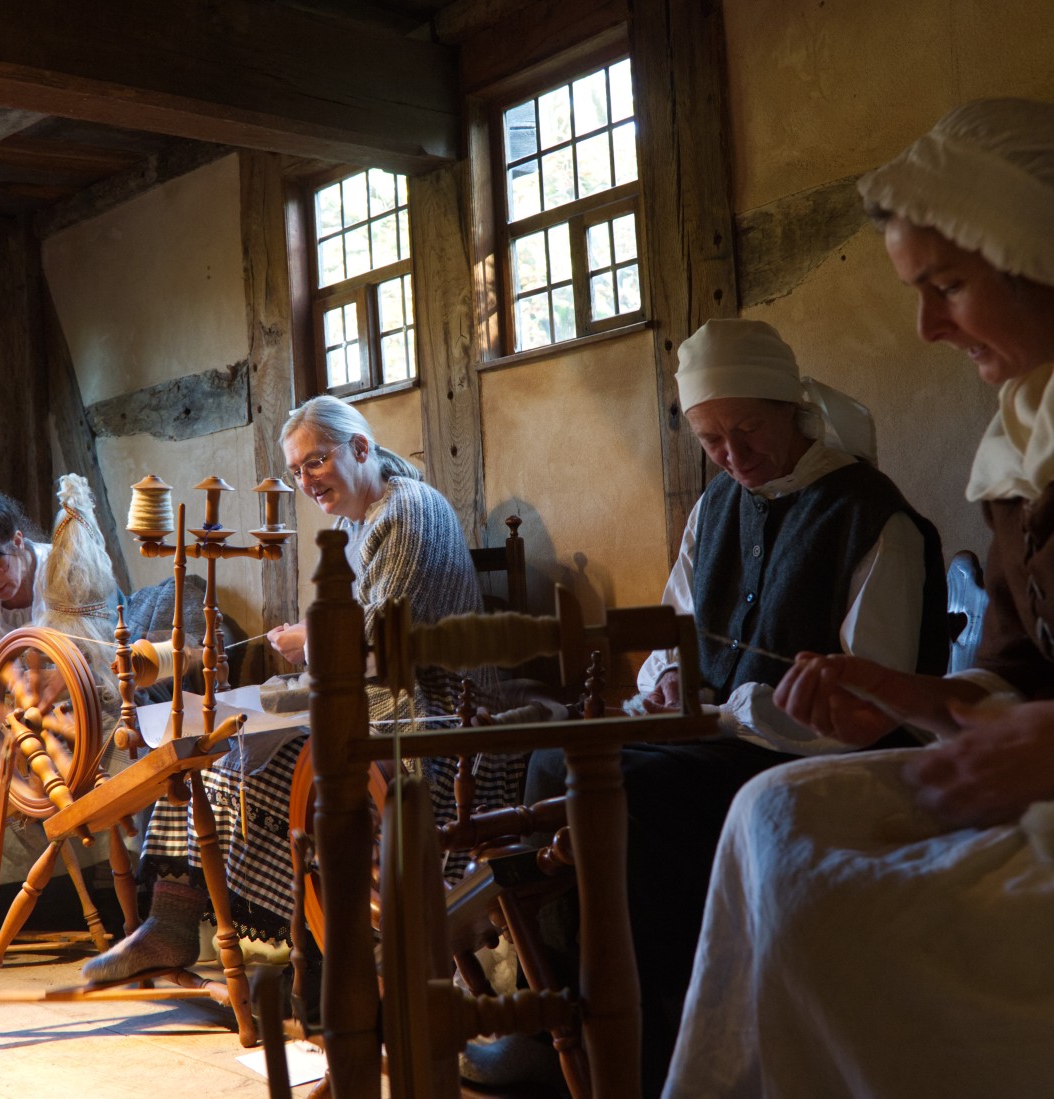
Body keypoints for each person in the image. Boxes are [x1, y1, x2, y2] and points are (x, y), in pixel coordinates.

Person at [663, 97, 1054, 1099]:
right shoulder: (1020, 446)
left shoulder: (863, 510)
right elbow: (1011, 672)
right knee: (767, 812)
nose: (923, 326)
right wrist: (901, 694)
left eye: (948, 286)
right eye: (710, 443)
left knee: (820, 897)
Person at [523, 318, 949, 1097]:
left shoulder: (870, 514)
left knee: (627, 794)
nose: (732, 456)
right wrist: (662, 679)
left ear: (793, 406)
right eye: (711, 439)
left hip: (807, 755)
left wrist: (731, 704)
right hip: (714, 740)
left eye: (747, 429)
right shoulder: (715, 508)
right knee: (554, 760)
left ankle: (672, 1035)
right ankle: (570, 1019)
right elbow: (670, 630)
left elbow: (873, 699)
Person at [83, 395, 526, 982]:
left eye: (315, 462)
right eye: (296, 471)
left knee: (238, 764)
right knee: (209, 749)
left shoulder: (409, 512)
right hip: (384, 706)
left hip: (435, 722)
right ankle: (171, 923)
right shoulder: (360, 519)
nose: (306, 481)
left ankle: (307, 956)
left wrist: (310, 641)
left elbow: (374, 641)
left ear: (361, 448)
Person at [0, 474, 118, 936]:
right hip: (4, 710)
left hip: (81, 699)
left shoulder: (69, 571)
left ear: (19, 541)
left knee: (102, 746)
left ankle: (100, 881)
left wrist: (56, 692)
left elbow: (103, 650)